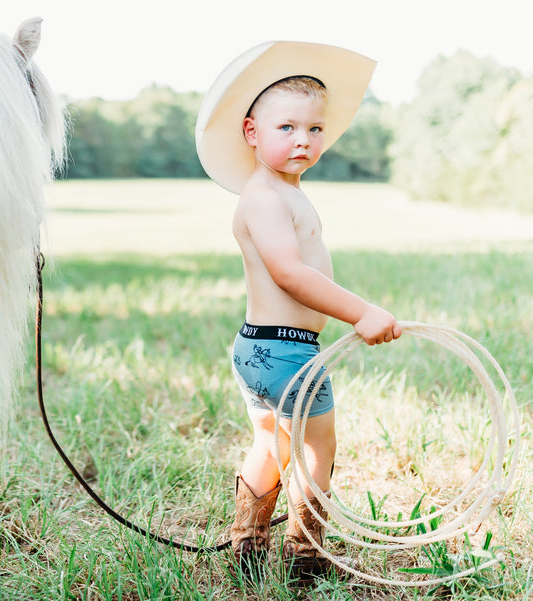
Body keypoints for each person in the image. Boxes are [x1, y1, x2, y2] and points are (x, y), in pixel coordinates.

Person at [195, 41, 402, 580]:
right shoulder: (264, 196)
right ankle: (305, 554)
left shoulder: (281, 190)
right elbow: (289, 273)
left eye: (314, 129)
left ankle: (247, 547)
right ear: (251, 132)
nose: (303, 140)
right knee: (316, 448)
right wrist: (361, 311)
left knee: (272, 442)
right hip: (287, 350)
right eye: (286, 127)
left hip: (262, 346)